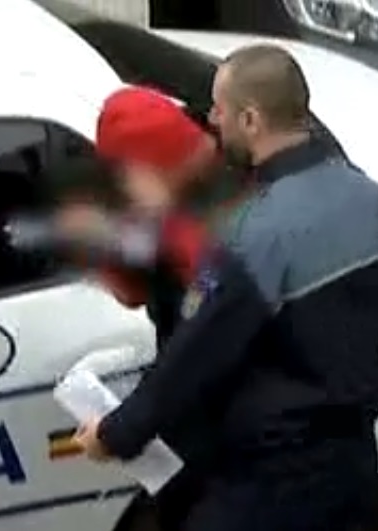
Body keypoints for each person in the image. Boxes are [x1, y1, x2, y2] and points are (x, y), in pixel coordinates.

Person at [73, 44, 378, 531]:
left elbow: (196, 354)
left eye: (220, 108)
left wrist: (114, 434)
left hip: (267, 491)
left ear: (251, 119)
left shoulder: (250, 234)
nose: (211, 120)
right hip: (355, 477)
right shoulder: (373, 201)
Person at [54, 86, 255, 531]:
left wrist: (117, 433)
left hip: (243, 451)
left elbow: (198, 346)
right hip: (207, 441)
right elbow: (138, 292)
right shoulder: (173, 205)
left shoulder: (227, 219)